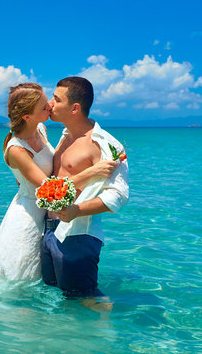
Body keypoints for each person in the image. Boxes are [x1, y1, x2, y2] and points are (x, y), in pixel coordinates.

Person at [0, 83, 118, 282]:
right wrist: (92, 172)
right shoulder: (17, 149)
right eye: (44, 106)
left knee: (48, 281)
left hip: (48, 217)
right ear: (27, 117)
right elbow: (48, 189)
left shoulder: (41, 129)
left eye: (50, 101)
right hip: (29, 215)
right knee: (23, 278)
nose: (50, 106)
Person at [42, 77, 129, 301]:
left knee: (87, 300)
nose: (50, 103)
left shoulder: (106, 144)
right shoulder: (65, 136)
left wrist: (76, 210)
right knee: (57, 296)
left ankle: (107, 334)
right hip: (50, 229)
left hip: (77, 233)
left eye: (56, 99)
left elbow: (118, 196)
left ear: (74, 108)